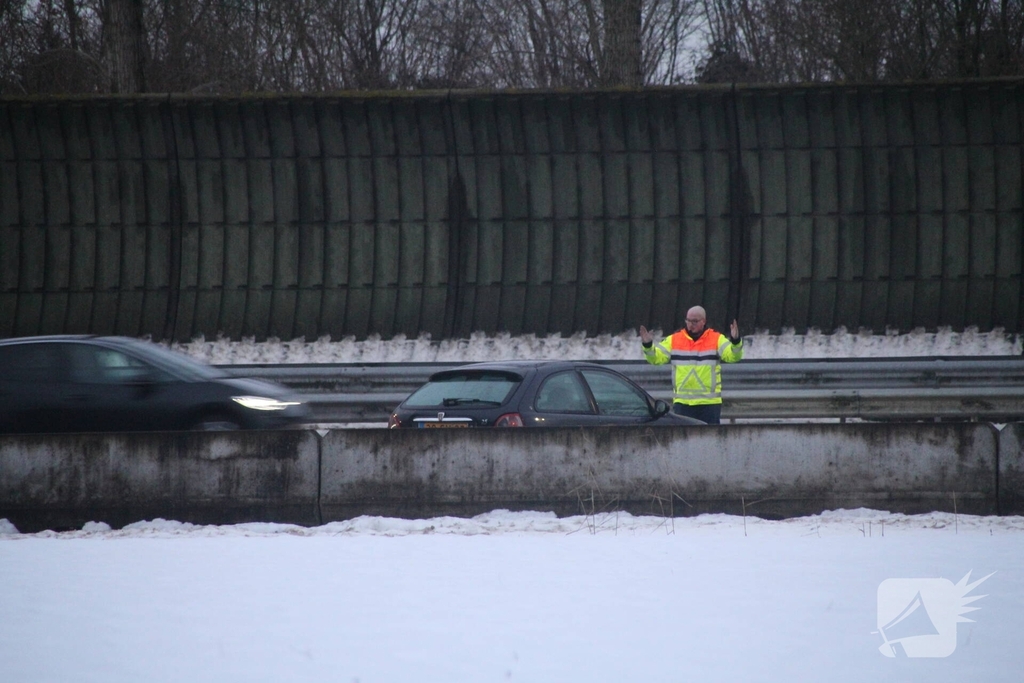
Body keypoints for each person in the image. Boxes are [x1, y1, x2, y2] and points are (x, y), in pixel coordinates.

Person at [640, 306, 743, 425]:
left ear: (703, 321)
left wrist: (735, 341)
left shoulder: (716, 339)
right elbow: (656, 359)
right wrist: (648, 345)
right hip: (683, 403)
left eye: (694, 321)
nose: (690, 324)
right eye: (688, 320)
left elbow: (733, 357)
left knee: (709, 441)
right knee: (683, 441)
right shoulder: (674, 339)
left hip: (709, 403)